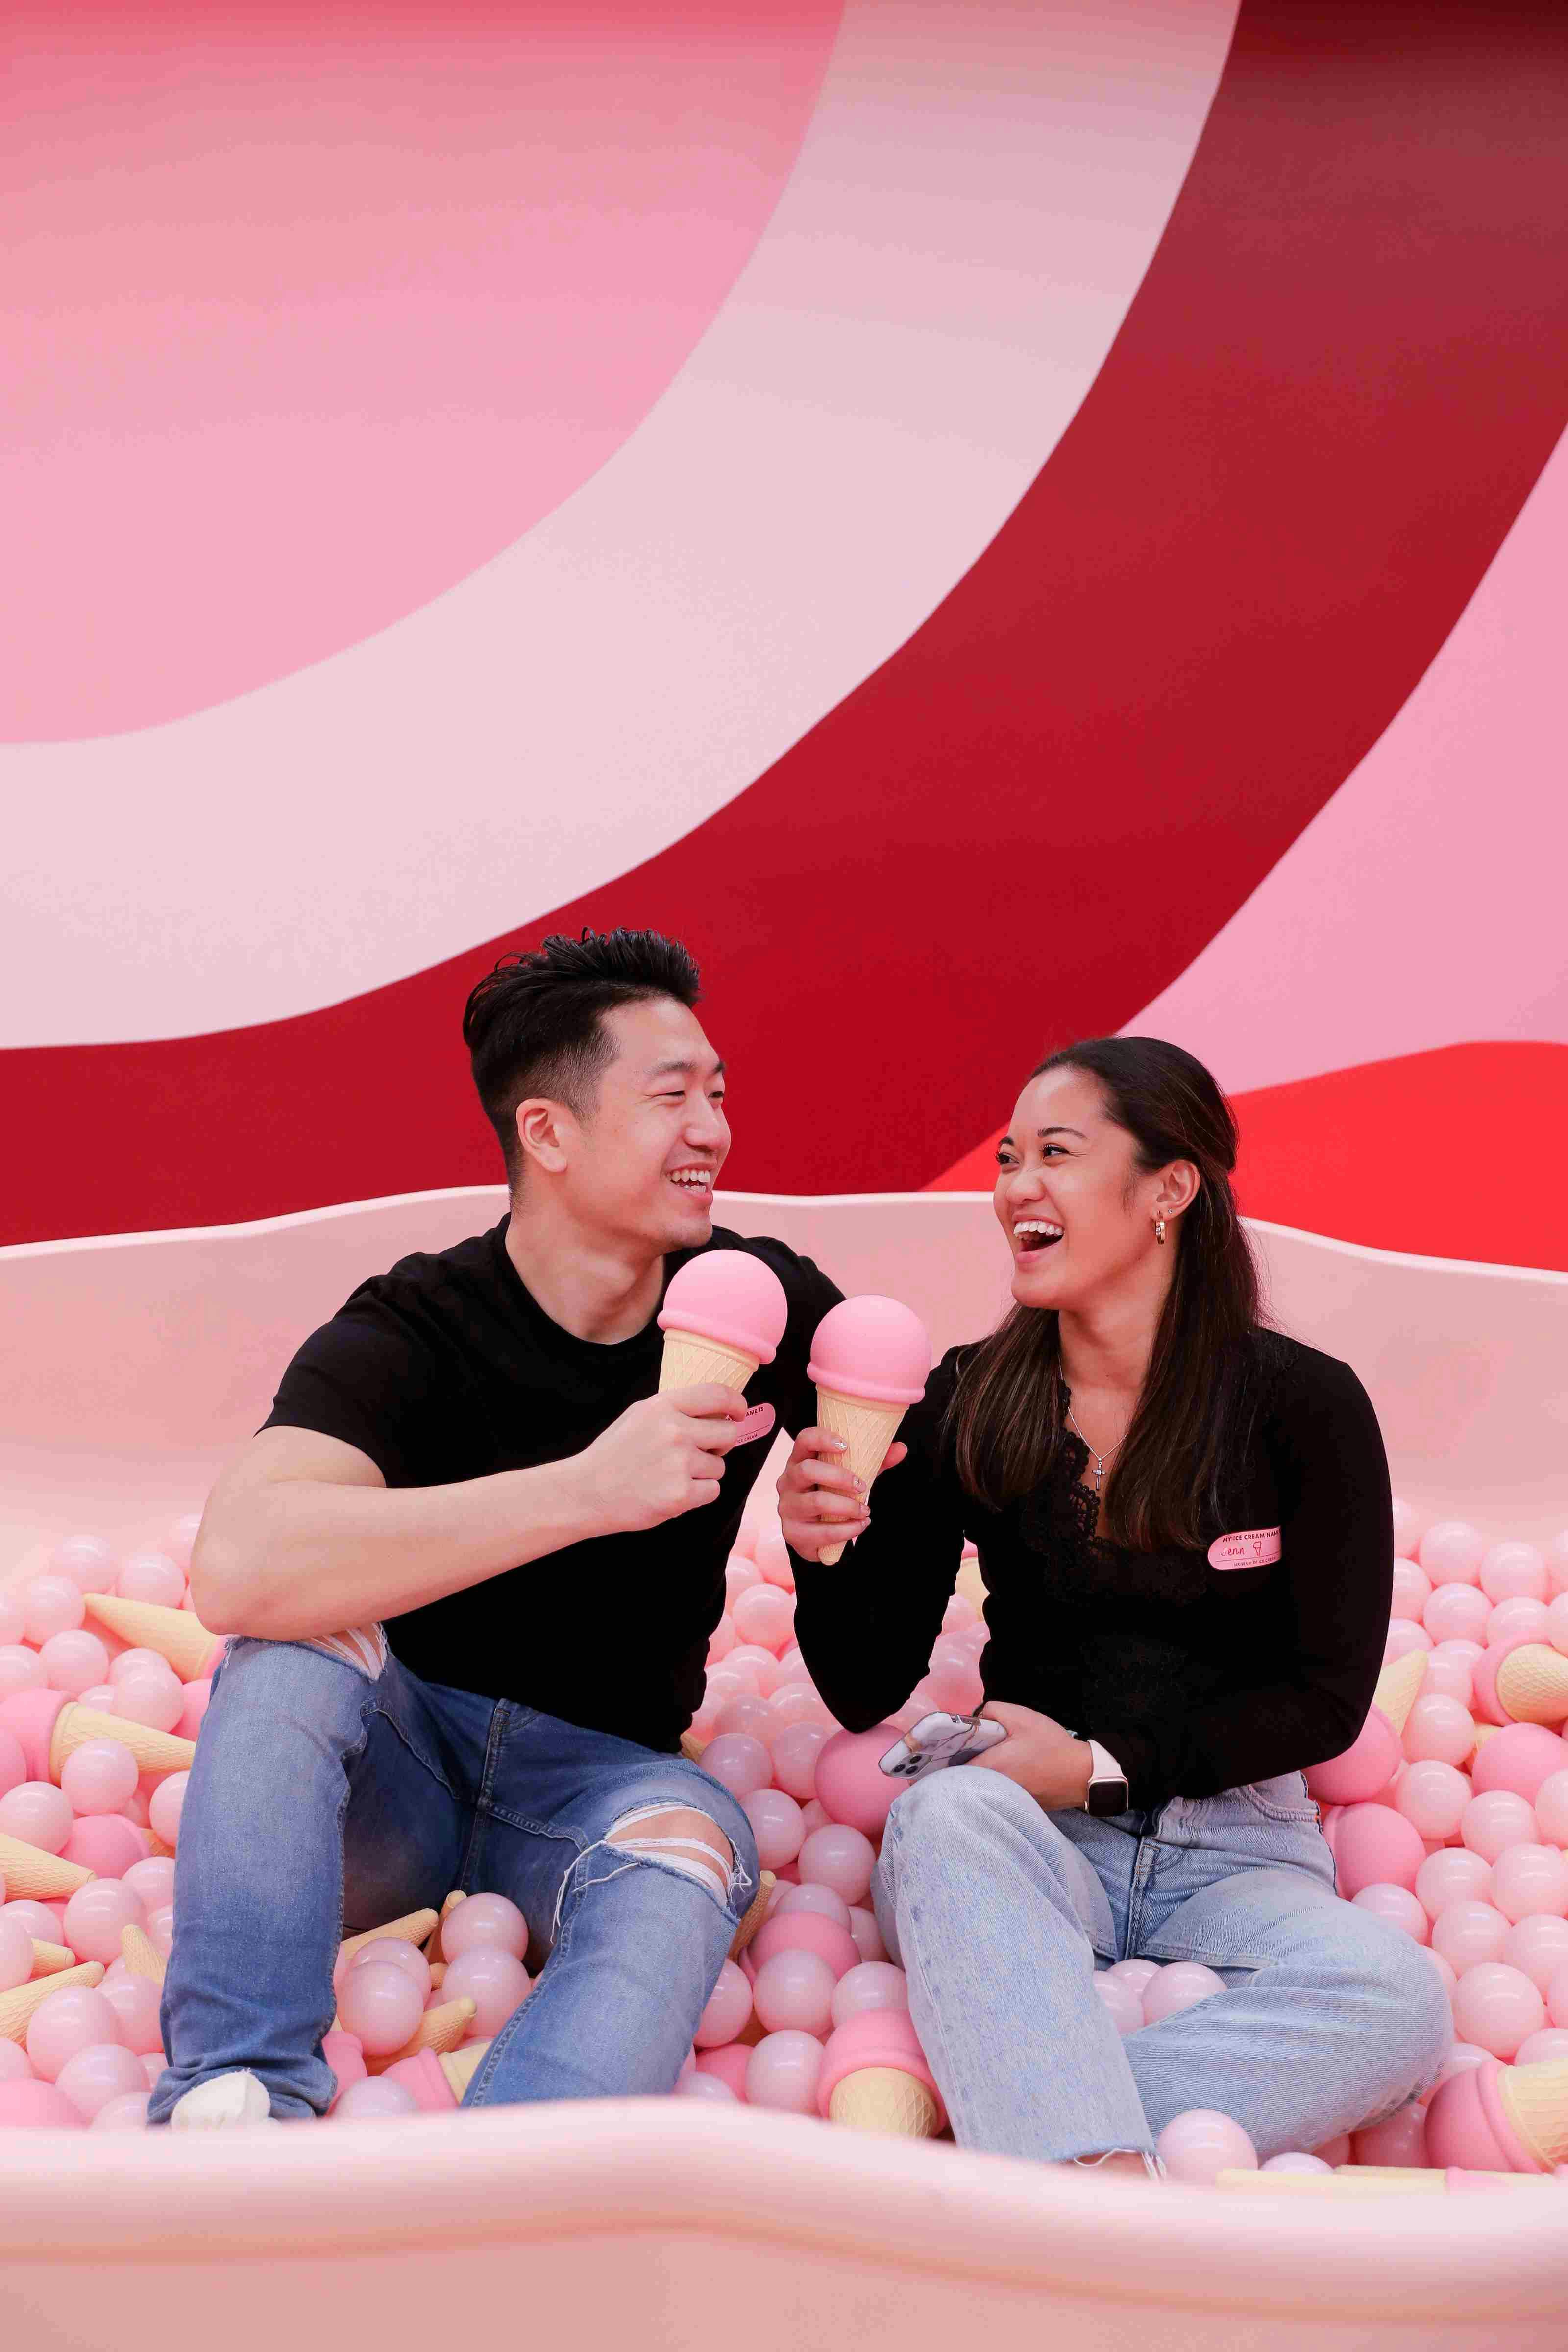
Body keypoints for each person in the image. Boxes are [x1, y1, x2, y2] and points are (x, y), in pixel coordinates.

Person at [152, 927, 847, 2126]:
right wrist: (588, 1489)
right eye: (671, 1096)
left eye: (719, 1096)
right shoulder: (419, 1321)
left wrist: (843, 1509)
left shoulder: (757, 1299)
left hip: (598, 1783)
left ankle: (506, 2201)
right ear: (548, 1132)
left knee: (694, 1852)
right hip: (401, 1761)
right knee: (286, 1655)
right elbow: (236, 1567)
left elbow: (936, 1466)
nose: (713, 1131)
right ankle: (236, 2099)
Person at [779, 1036, 1449, 2173]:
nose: (1013, 1189)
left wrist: (1094, 1762)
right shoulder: (967, 1396)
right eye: (1006, 1159)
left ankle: (1026, 2142)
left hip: (1240, 1851)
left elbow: (1326, 1700)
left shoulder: (1304, 1406)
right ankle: (1079, 2172)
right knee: (939, 1815)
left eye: (1055, 1154)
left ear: (1168, 1189)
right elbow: (862, 1681)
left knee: (1399, 2005)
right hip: (1024, 1837)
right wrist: (822, 1549)